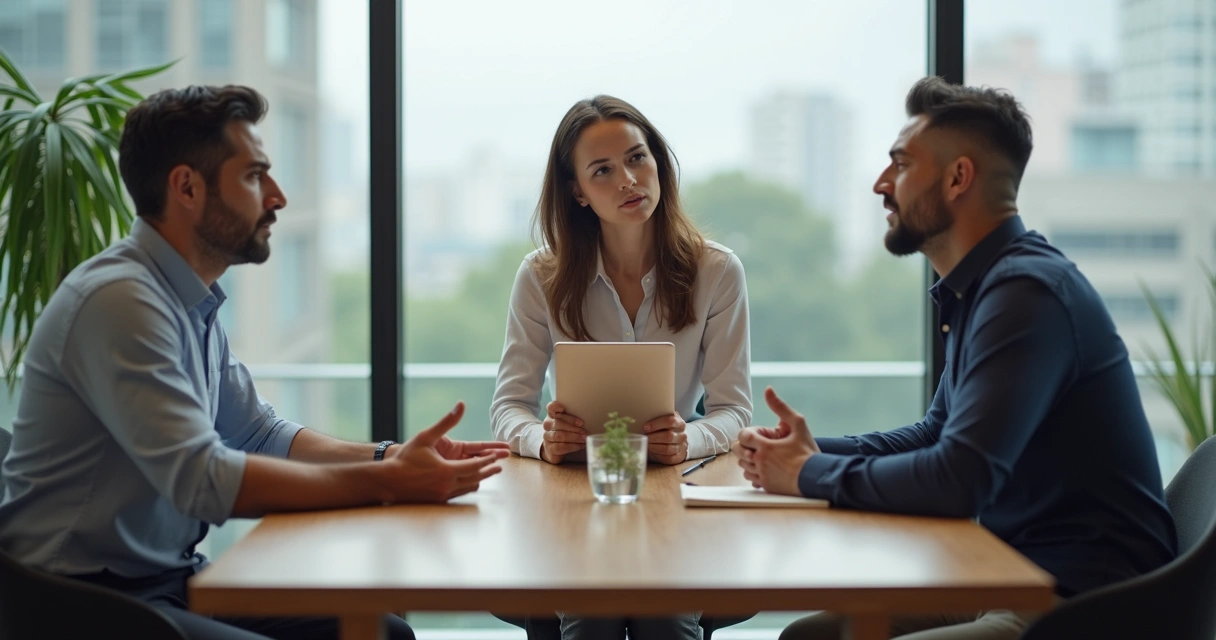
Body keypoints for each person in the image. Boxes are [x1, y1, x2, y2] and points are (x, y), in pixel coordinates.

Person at [0, 85, 510, 640]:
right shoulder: (120, 301)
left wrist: (391, 455)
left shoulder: (186, 298)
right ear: (187, 187)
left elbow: (257, 433)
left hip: (166, 578)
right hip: (78, 602)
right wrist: (387, 481)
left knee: (385, 633)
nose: (278, 196)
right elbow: (203, 480)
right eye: (254, 176)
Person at [736, 77, 1178, 640]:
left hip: (1083, 601)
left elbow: (958, 480)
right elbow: (936, 434)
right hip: (1007, 574)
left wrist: (806, 473)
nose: (880, 184)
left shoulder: (1027, 294)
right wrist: (801, 449)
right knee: (810, 637)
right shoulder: (988, 289)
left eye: (899, 164)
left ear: (957, 177)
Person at [490, 95, 753, 640]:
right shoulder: (541, 276)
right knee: (590, 614)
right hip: (574, 491)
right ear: (577, 193)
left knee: (667, 614)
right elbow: (509, 406)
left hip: (672, 489)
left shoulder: (717, 271)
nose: (628, 180)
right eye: (602, 171)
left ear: (658, 161)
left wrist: (691, 440)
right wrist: (543, 439)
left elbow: (733, 411)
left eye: (637, 158)